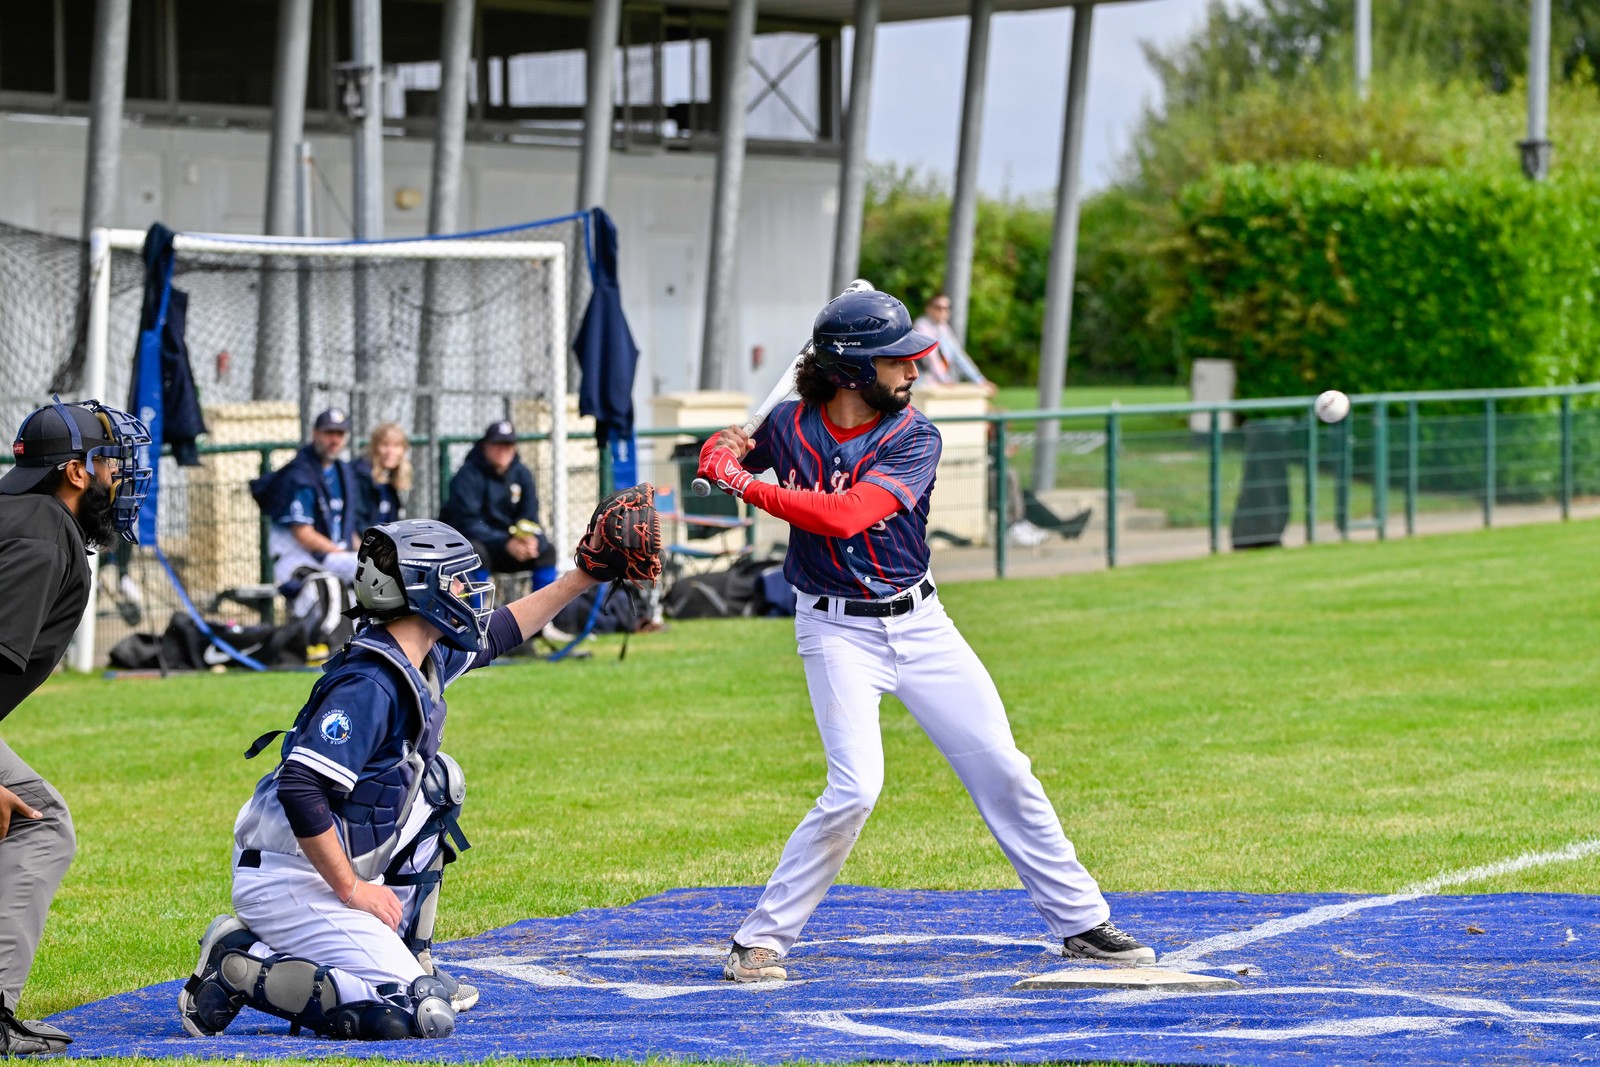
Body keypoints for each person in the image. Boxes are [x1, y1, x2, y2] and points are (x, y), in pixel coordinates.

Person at [695, 289, 1154, 983]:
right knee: (854, 788)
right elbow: (730, 451)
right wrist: (725, 447)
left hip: (921, 624)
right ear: (851, 371)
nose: (914, 370)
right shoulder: (789, 424)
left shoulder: (915, 436)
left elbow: (846, 514)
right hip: (834, 630)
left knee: (1003, 767)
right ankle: (759, 938)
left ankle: (1081, 920)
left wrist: (742, 484)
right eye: (897, 361)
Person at [179, 490, 662, 1042]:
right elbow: (302, 787)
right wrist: (354, 893)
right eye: (457, 581)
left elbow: (501, 630)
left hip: (325, 858)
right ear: (420, 594)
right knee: (417, 1015)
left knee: (439, 780)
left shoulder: (416, 652)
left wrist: (584, 575)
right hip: (292, 878)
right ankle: (239, 967)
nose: (471, 592)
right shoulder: (370, 682)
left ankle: (410, 955)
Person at [0, 396, 151, 1054]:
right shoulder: (40, 537)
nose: (122, 476)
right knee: (40, 823)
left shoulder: (25, 517)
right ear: (78, 472)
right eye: (113, 461)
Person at [250, 408, 362, 626]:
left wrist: (361, 550)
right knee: (367, 569)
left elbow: (348, 529)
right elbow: (303, 534)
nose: (334, 440)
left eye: (340, 434)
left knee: (376, 565)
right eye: (329, 433)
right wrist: (344, 554)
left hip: (332, 554)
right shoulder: (299, 474)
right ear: (315, 434)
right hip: (298, 558)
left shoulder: (342, 471)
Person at [439, 421, 556, 592]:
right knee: (474, 552)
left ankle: (544, 614)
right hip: (485, 546)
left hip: (513, 546)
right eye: (497, 444)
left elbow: (530, 517)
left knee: (546, 551)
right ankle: (475, 613)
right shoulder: (467, 475)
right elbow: (468, 524)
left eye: (508, 445)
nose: (503, 450)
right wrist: (505, 542)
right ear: (485, 445)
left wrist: (531, 540)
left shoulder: (522, 474)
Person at [913, 293, 995, 393]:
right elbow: (931, 357)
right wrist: (945, 380)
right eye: (938, 307)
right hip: (920, 383)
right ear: (928, 308)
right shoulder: (922, 326)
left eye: (946, 308)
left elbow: (959, 356)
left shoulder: (944, 328)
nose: (942, 311)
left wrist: (980, 380)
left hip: (939, 383)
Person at [353, 422, 411, 531]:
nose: (390, 451)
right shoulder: (360, 476)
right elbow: (356, 522)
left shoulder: (391, 480)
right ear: (374, 447)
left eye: (396, 445)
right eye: (385, 445)